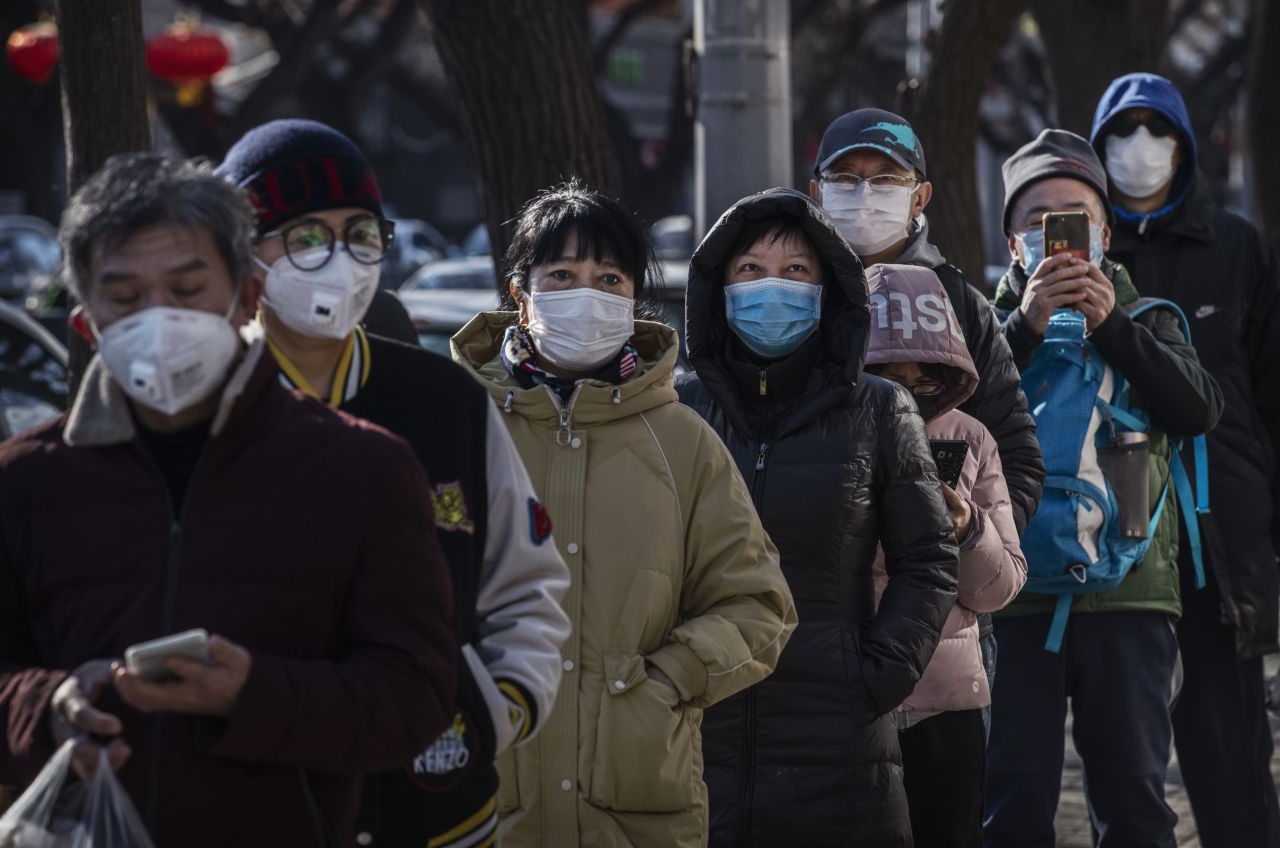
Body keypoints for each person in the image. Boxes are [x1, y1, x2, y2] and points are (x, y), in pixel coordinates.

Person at [0, 153, 457, 846]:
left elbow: (414, 698)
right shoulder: (27, 481)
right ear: (87, 325)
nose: (159, 319)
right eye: (124, 299)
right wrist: (47, 707)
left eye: (187, 289)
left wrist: (253, 694)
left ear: (247, 298)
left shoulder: (363, 470)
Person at [218, 118, 572, 848]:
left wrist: (497, 707)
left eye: (360, 233)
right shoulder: (205, 410)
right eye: (306, 236)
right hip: (249, 808)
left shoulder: (443, 401)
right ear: (245, 255)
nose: (339, 258)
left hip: (438, 808)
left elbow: (526, 584)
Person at [450, 181, 796, 848]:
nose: (588, 293)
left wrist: (667, 680)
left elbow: (759, 605)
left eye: (610, 278)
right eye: (562, 275)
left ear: (634, 297)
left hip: (638, 810)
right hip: (485, 802)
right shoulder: (459, 428)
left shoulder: (683, 441)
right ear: (520, 296)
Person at [679, 188, 960, 846]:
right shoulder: (677, 412)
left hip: (840, 748)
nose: (770, 287)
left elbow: (929, 559)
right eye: (749, 270)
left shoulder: (879, 410)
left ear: (828, 289)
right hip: (701, 737)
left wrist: (874, 677)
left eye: (795, 271)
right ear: (717, 289)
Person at [984, 129, 1223, 847]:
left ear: (1105, 234)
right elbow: (950, 411)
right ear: (1011, 241)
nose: (1056, 235)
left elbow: (1198, 411)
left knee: (1135, 802)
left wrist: (1111, 325)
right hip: (1010, 592)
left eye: (1075, 217)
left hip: (1130, 591)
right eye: (1037, 220)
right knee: (1012, 800)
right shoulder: (978, 326)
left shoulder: (1147, 320)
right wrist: (1023, 328)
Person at [1090, 72, 1280, 847]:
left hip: (1214, 545)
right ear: (1100, 149)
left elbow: (1270, 397)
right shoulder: (1078, 254)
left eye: (1156, 130)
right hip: (1112, 541)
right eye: (1122, 132)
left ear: (1185, 144)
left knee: (1231, 758)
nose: (1140, 149)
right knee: (1123, 769)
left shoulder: (1235, 247)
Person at [810, 108, 1043, 709]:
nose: (864, 194)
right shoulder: (795, 296)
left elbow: (1014, 452)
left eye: (886, 179)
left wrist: (963, 548)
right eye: (846, 177)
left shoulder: (958, 302)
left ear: (920, 197)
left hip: (943, 630)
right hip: (815, 617)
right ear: (816, 193)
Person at [864, 263, 1027, 847]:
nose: (908, 394)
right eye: (886, 376)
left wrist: (964, 526)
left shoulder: (972, 438)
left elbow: (1000, 586)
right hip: (853, 695)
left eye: (925, 380)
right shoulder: (832, 428)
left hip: (947, 702)